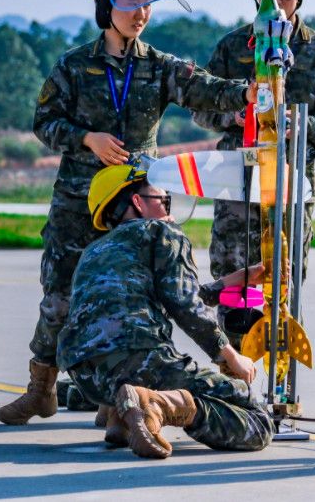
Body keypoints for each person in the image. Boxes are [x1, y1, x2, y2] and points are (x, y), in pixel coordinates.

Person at [0, 0, 257, 426]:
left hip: (135, 210)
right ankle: (41, 387)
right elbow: (44, 122)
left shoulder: (159, 66)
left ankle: (116, 400)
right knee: (60, 297)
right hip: (79, 204)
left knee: (135, 298)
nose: (140, 13)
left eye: (148, 3)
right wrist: (85, 139)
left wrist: (246, 93)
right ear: (105, 6)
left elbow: (204, 88)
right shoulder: (73, 67)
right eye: (131, 2)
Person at [194, 0, 315, 347]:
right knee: (234, 281)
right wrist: (235, 112)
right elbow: (200, 106)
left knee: (283, 279)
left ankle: (277, 379)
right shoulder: (233, 48)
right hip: (237, 184)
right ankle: (236, 375)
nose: (276, 1)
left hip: (291, 184)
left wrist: (299, 127)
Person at [56, 164, 274, 459]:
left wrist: (229, 282)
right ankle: (158, 405)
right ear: (137, 202)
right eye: (161, 198)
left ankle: (122, 414)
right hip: (139, 359)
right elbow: (183, 304)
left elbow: (161, 296)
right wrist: (231, 357)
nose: (169, 205)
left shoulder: (95, 250)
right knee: (258, 419)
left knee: (137, 368)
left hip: (87, 376)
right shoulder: (161, 232)